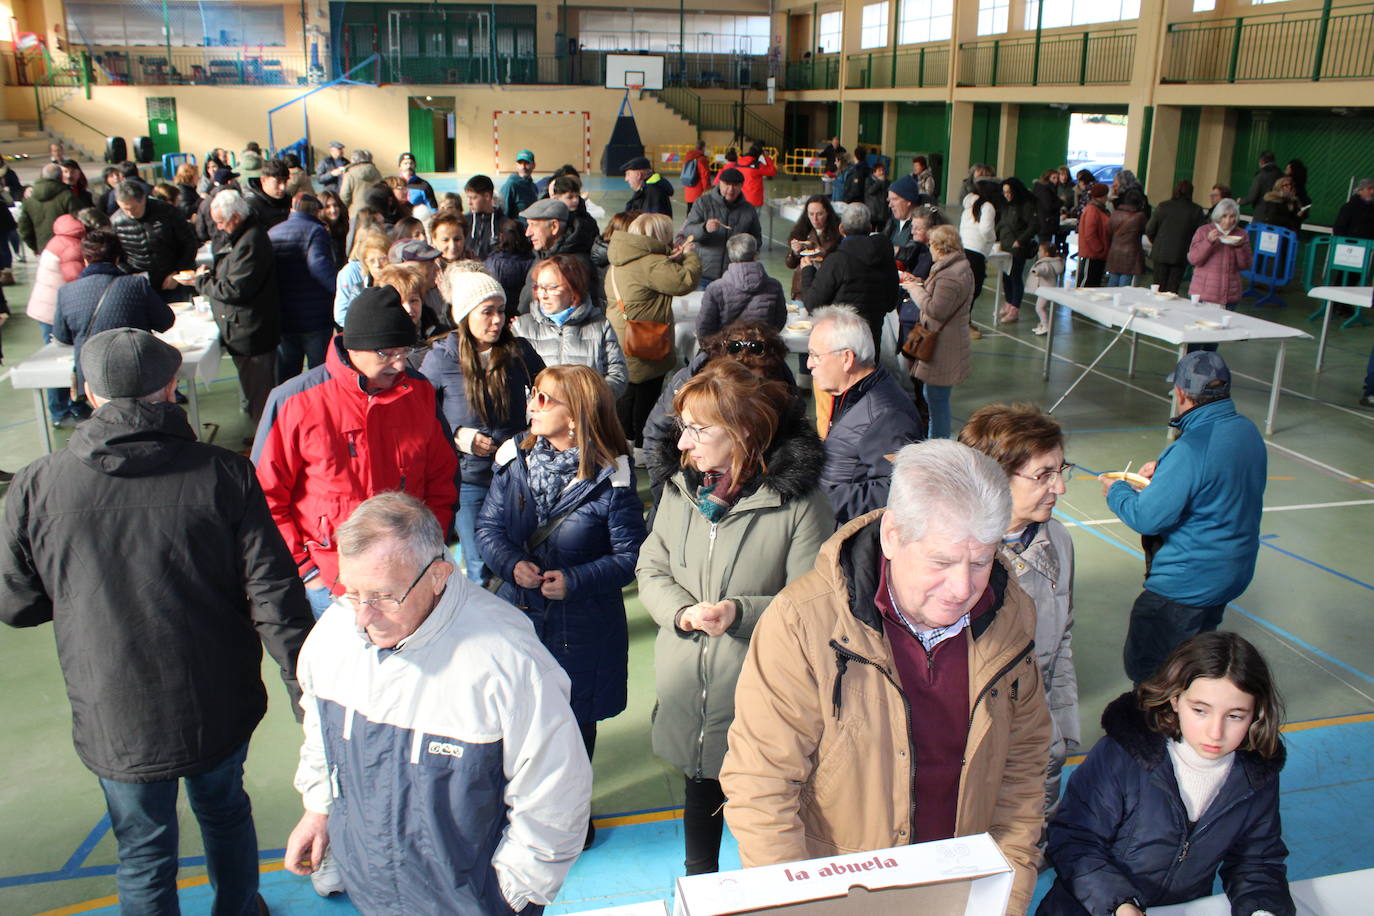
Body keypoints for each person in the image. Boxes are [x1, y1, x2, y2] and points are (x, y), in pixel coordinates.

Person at [1, 327, 312, 916]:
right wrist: (306, 690)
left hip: (113, 706)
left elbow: (16, 605)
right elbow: (273, 594)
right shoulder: (225, 474)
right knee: (224, 812)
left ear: (88, 393)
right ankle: (240, 909)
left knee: (142, 849)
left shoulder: (37, 486)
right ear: (171, 388)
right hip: (216, 697)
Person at [719, 439, 1051, 915]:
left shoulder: (1010, 615)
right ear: (892, 536)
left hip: (964, 890)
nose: (963, 588)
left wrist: (1008, 895)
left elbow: (1023, 767)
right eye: (941, 561)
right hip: (843, 898)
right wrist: (799, 907)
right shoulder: (803, 623)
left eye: (980, 562)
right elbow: (762, 786)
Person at [283, 492, 591, 912]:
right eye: (351, 592)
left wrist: (510, 897)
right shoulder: (334, 636)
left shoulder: (507, 660)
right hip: (371, 892)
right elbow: (321, 733)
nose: (362, 617)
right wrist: (317, 809)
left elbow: (555, 791)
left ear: (438, 575)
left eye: (383, 596)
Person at [640, 361, 834, 875]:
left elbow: (814, 602)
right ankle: (700, 884)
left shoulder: (798, 503)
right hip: (691, 686)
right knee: (699, 792)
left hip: (763, 697)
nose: (684, 443)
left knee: (769, 820)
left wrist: (739, 613)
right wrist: (681, 612)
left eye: (698, 430)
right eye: (683, 428)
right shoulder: (683, 490)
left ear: (743, 431)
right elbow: (652, 564)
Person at [476, 365, 648, 846]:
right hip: (517, 619)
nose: (532, 403)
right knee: (514, 722)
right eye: (533, 393)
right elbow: (488, 528)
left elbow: (631, 556)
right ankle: (515, 811)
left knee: (573, 727)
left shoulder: (612, 479)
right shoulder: (514, 460)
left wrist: (573, 580)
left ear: (576, 417)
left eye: (546, 399)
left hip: (582, 629)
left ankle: (570, 816)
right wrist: (512, 565)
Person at [1038, 632, 1292, 916]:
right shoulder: (1121, 755)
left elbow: (1257, 861)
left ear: (1256, 713)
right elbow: (1074, 839)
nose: (1215, 732)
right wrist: (1121, 906)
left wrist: (1263, 911)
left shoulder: (1256, 775)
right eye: (1200, 710)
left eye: (1235, 716)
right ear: (1174, 700)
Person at [254, 285, 458, 617]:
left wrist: (431, 549)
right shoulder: (294, 401)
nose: (399, 363)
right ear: (354, 347)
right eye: (387, 353)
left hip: (408, 575)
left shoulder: (418, 392)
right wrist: (306, 570)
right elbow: (265, 497)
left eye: (405, 351)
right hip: (332, 583)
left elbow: (442, 480)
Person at [1099, 350, 1266, 684]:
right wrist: (1167, 471)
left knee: (1150, 670)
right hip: (1230, 573)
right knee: (1195, 660)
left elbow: (1147, 518)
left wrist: (1116, 490)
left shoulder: (1191, 449)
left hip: (1186, 582)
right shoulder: (1247, 432)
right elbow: (1216, 481)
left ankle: (1152, 725)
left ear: (1181, 394)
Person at [959, 403, 1079, 823]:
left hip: (1034, 739)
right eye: (1044, 474)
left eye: (1062, 470)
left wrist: (1060, 730)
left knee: (1026, 839)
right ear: (996, 477)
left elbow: (1062, 641)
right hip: (962, 746)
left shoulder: (1058, 542)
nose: (1060, 487)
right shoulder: (948, 552)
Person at [421, 268, 543, 583]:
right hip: (469, 479)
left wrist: (529, 436)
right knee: (480, 564)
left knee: (521, 555)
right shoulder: (441, 359)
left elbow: (551, 396)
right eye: (486, 312)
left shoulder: (519, 351)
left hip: (516, 474)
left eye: (501, 311)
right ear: (464, 315)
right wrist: (458, 437)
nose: (497, 320)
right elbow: (421, 415)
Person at [641, 321, 796, 508]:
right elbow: (655, 435)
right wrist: (669, 492)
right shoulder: (688, 385)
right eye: (734, 378)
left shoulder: (784, 402)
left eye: (750, 383)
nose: (741, 390)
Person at [807, 305, 923, 524]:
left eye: (816, 356)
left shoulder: (888, 416)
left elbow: (895, 490)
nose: (809, 364)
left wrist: (819, 498)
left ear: (847, 358)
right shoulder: (855, 393)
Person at [605, 212, 702, 448]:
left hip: (621, 335)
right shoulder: (651, 264)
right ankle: (641, 446)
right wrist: (690, 256)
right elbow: (685, 281)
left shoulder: (621, 258)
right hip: (645, 340)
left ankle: (624, 441)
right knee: (647, 398)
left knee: (626, 392)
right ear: (660, 236)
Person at [187, 189, 280, 428]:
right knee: (254, 390)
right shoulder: (244, 236)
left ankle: (264, 441)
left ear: (235, 218)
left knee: (259, 393)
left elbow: (236, 289)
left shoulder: (251, 241)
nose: (218, 228)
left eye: (220, 222)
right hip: (244, 328)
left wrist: (200, 282)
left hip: (251, 331)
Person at [53, 228, 175, 395]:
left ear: (85, 259)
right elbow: (166, 321)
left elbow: (62, 337)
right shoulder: (136, 285)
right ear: (117, 258)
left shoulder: (66, 292)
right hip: (137, 371)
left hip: (91, 375)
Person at [515, 253, 627, 397]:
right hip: (539, 415)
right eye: (539, 287)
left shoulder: (600, 326)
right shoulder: (522, 327)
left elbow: (617, 374)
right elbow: (513, 380)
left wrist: (591, 401)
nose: (543, 295)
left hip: (584, 416)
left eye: (552, 287)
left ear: (573, 290)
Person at [900, 225, 975, 439]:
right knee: (935, 398)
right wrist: (921, 284)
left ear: (940, 247)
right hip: (950, 342)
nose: (929, 249)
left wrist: (914, 290)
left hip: (942, 348)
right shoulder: (958, 266)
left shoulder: (949, 276)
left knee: (936, 401)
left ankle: (937, 445)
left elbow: (936, 309)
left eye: (931, 244)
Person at [800, 202, 898, 351]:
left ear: (841, 229)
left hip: (840, 341)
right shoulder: (884, 256)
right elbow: (891, 303)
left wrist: (807, 271)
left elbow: (811, 304)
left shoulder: (837, 261)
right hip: (871, 340)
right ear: (870, 227)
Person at [26, 211, 93, 427]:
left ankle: (72, 406)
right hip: (53, 311)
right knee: (59, 363)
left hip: (47, 307)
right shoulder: (72, 246)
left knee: (62, 360)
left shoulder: (60, 238)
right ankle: (60, 411)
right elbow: (76, 282)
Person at [270, 193, 337, 381]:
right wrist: (340, 291)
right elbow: (319, 266)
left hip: (284, 314)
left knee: (287, 375)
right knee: (319, 375)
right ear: (316, 211)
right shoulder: (316, 231)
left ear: (292, 209)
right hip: (315, 316)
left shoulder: (273, 232)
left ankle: (286, 409)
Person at [111, 178, 200, 300]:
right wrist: (131, 275)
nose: (130, 213)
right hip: (140, 282)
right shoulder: (116, 221)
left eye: (133, 208)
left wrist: (178, 272)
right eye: (125, 209)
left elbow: (189, 244)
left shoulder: (167, 212)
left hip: (173, 278)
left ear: (143, 199)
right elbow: (116, 257)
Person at [696, 234, 785, 343]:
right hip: (762, 353)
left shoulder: (715, 288)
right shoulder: (774, 286)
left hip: (727, 353)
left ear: (730, 257)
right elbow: (778, 323)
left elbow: (704, 329)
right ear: (755, 255)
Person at [519, 197, 602, 314]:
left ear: (554, 227)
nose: (528, 233)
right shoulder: (542, 254)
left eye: (533, 225)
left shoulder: (577, 264)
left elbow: (583, 313)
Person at [683, 167, 761, 286]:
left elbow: (757, 240)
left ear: (741, 186)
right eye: (727, 184)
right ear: (719, 183)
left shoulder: (748, 209)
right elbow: (688, 231)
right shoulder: (703, 203)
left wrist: (745, 245)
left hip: (734, 275)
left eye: (735, 185)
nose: (731, 189)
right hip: (704, 273)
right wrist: (704, 228)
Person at [1187, 198, 1252, 320]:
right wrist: (1208, 242)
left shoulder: (1241, 234)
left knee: (1221, 331)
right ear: (1218, 216)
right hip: (1204, 293)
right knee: (1201, 331)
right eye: (1224, 216)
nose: (1228, 220)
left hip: (1230, 294)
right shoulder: (1203, 231)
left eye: (1232, 216)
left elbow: (1246, 265)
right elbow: (1193, 259)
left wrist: (1240, 247)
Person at [1145, 180, 1207, 294]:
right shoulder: (1196, 210)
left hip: (1160, 252)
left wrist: (1156, 242)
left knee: (1158, 288)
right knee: (1172, 290)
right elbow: (1201, 234)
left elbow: (1149, 229)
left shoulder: (1163, 206)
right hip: (1181, 253)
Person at [783, 195, 840, 300]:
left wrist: (823, 253)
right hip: (801, 288)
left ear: (828, 213)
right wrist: (795, 252)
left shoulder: (837, 233)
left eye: (819, 214)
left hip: (827, 288)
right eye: (811, 214)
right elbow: (790, 264)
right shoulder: (801, 232)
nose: (815, 219)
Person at [996, 177, 1037, 322]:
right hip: (1005, 246)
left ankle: (1015, 307)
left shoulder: (1026, 206)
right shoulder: (1006, 206)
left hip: (1017, 248)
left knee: (1015, 276)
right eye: (1004, 192)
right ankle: (1008, 302)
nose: (1006, 195)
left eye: (1009, 192)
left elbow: (1033, 226)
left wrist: (1020, 241)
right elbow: (1002, 224)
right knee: (1005, 276)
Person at [333, 228, 391, 327]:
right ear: (365, 263)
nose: (377, 265)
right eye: (372, 260)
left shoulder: (400, 284)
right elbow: (345, 316)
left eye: (382, 259)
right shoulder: (359, 290)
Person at [18, 163, 81, 254]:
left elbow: (24, 229)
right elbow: (78, 224)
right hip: (67, 249)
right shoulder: (68, 196)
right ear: (60, 177)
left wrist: (35, 247)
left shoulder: (29, 198)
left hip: (44, 249)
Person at [485, 217, 536, 307]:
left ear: (501, 236)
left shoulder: (491, 261)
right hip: (522, 307)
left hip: (499, 306)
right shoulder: (532, 262)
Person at [1106, 189, 1148, 288]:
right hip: (1131, 253)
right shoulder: (1140, 216)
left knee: (1112, 281)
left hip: (1115, 251)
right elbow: (1146, 230)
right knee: (1124, 285)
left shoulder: (1115, 213)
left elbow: (1109, 231)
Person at [463, 173, 506, 259]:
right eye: (468, 198)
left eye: (474, 198)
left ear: (487, 196)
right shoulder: (464, 222)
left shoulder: (503, 224)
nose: (469, 203)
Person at [1027, 241, 1066, 336]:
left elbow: (1043, 270)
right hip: (1046, 289)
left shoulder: (1045, 264)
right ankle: (1042, 324)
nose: (1038, 253)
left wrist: (1035, 271)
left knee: (1039, 308)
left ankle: (1045, 325)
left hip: (1046, 290)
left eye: (1040, 251)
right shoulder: (1052, 263)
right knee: (1042, 307)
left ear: (1046, 254)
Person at [1076, 182, 1111, 287]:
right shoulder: (1093, 210)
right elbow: (1090, 234)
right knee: (1087, 283)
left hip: (1097, 255)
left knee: (1094, 283)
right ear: (1102, 196)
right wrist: (1099, 249)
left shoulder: (1099, 209)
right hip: (1092, 254)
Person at [244, 158, 292, 231]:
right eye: (278, 182)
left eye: (285, 181)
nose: (283, 187)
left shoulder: (290, 201)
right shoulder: (251, 206)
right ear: (263, 180)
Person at [339, 149, 382, 218]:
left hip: (356, 214)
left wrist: (343, 209)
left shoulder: (350, 174)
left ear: (353, 160)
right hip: (375, 212)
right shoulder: (377, 172)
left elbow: (345, 195)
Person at [736, 143, 777, 209]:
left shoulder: (738, 163)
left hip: (740, 198)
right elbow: (772, 171)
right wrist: (767, 157)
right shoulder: (757, 166)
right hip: (754, 199)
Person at [502, 149, 539, 220]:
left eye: (527, 163)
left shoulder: (533, 187)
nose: (523, 167)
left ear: (534, 165)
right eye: (520, 163)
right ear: (516, 165)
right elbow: (503, 213)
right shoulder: (510, 185)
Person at [680, 140, 711, 205]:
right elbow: (705, 176)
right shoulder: (702, 159)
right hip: (699, 190)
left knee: (690, 211)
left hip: (688, 189)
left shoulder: (688, 158)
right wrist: (707, 189)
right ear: (703, 148)